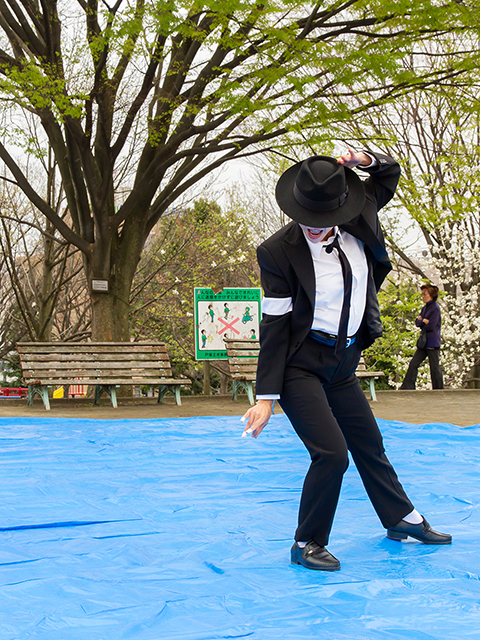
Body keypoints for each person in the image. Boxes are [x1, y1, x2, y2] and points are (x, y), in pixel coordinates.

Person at [241, 149, 451, 572]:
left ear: (341, 207)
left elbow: (389, 172)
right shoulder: (277, 253)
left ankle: (400, 519)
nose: (314, 229)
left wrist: (361, 158)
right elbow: (276, 325)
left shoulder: (362, 215)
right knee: (332, 453)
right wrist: (266, 396)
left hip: (344, 359)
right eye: (306, 219)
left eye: (323, 220)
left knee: (370, 444)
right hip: (301, 364)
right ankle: (307, 542)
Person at [400, 284, 444, 390]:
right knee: (413, 364)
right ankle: (407, 387)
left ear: (432, 295)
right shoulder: (425, 308)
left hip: (432, 342)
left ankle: (438, 389)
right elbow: (417, 322)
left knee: (434, 367)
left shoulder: (435, 308)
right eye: (422, 294)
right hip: (423, 342)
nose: (423, 296)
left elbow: (431, 326)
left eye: (425, 294)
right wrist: (423, 320)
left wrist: (422, 320)